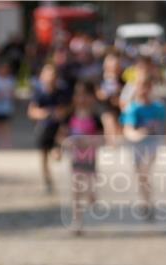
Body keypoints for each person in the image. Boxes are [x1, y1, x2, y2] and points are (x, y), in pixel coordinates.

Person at [121, 73, 166, 220]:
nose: (144, 90)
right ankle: (146, 201)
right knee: (141, 176)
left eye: (147, 87)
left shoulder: (158, 107)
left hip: (152, 143)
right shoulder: (133, 108)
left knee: (145, 170)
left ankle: (147, 203)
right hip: (137, 145)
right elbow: (128, 129)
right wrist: (137, 134)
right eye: (141, 87)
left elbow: (164, 127)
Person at [61, 80, 103, 234]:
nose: (82, 99)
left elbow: (102, 139)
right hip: (75, 158)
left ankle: (92, 196)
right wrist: (66, 144)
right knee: (76, 190)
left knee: (89, 189)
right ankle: (77, 221)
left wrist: (88, 141)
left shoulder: (95, 117)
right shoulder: (69, 115)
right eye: (79, 95)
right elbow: (61, 136)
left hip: (91, 159)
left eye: (85, 95)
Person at [27, 62, 72, 192]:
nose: (50, 77)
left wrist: (61, 113)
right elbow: (31, 111)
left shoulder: (62, 92)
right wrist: (44, 114)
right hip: (44, 128)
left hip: (58, 129)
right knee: (44, 155)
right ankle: (47, 179)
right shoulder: (39, 93)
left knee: (57, 153)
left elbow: (69, 107)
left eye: (53, 75)